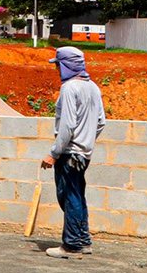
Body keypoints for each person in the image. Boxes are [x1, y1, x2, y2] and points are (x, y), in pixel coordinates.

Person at [40, 45, 105, 258]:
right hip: (83, 154)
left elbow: (67, 126)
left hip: (69, 153)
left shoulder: (69, 88)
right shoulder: (93, 87)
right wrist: (87, 142)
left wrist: (54, 153)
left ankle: (72, 244)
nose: (57, 69)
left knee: (69, 197)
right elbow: (101, 122)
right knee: (76, 195)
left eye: (58, 65)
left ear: (66, 65)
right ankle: (83, 240)